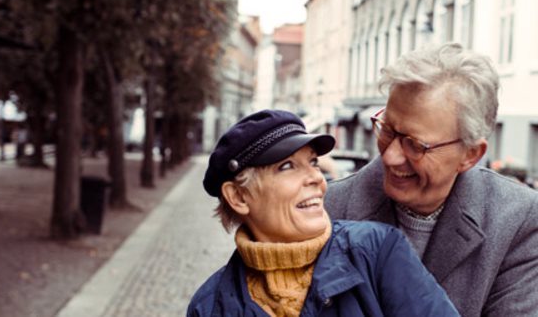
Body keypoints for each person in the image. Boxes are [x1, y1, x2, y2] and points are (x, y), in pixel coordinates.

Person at [325, 43, 538, 317]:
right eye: (387, 130)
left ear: (471, 154)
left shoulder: (519, 220)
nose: (390, 157)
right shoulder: (328, 208)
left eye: (415, 145)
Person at [188, 109, 460, 316]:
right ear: (238, 196)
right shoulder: (209, 306)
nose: (317, 179)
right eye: (287, 167)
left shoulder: (377, 251)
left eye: (313, 162)